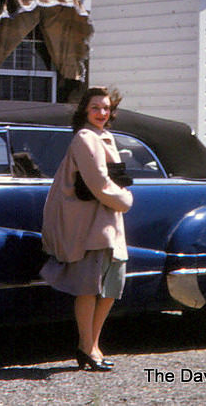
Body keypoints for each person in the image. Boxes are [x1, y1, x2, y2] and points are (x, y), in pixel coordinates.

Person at [40, 87, 133, 372]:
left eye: (106, 108)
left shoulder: (106, 137)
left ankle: (92, 345)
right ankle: (86, 346)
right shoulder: (85, 138)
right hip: (91, 223)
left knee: (110, 287)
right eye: (95, 108)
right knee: (89, 287)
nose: (102, 113)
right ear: (85, 111)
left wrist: (118, 198)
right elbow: (99, 182)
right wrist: (126, 200)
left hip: (108, 220)